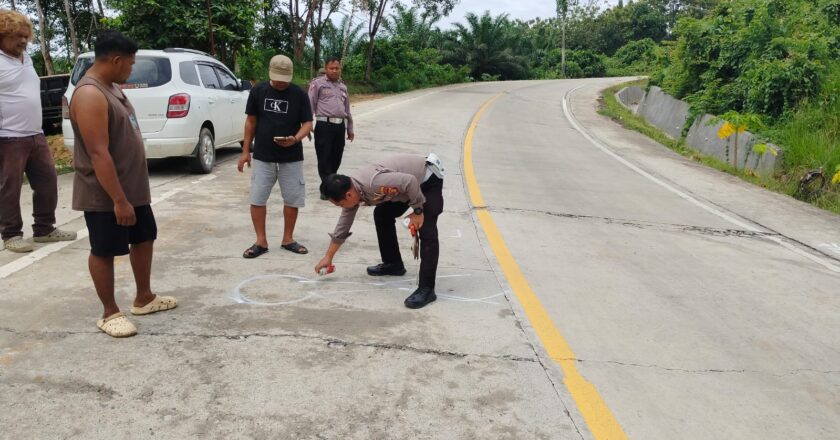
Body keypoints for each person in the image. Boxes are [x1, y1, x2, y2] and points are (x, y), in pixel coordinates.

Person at [70, 30, 176, 338]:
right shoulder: (90, 94)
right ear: (115, 60)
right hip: (105, 193)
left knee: (143, 237)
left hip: (132, 188)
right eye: (129, 64)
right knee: (104, 248)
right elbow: (98, 152)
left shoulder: (111, 87)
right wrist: (118, 199)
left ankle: (144, 297)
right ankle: (109, 312)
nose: (131, 69)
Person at [315, 154, 445, 309]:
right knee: (382, 214)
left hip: (426, 178)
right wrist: (328, 257)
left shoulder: (373, 183)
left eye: (340, 204)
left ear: (349, 195)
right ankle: (393, 264)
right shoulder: (351, 189)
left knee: (426, 229)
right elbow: (344, 225)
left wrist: (418, 211)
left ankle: (427, 289)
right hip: (404, 188)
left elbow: (410, 181)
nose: (342, 208)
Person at [0, 9, 76, 253]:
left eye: (25, 36)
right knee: (9, 187)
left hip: (35, 134)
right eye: (16, 36)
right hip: (7, 136)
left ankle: (44, 229)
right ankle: (11, 234)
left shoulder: (27, 58)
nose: (22, 41)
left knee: (47, 181)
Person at [238, 54, 313, 258]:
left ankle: (288, 239)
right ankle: (260, 241)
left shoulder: (299, 94)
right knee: (257, 197)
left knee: (292, 198)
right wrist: (246, 151)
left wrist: (295, 139)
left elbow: (308, 123)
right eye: (277, 78)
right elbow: (250, 122)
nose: (281, 83)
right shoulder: (258, 91)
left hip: (292, 157)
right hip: (263, 156)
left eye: (284, 79)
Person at [308, 57, 354, 198]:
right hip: (324, 126)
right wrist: (308, 122)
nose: (334, 70)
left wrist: (350, 128)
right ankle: (326, 189)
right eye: (331, 68)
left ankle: (330, 186)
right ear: (326, 69)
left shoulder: (343, 87)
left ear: (340, 69)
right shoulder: (317, 84)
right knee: (324, 158)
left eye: (337, 68)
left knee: (336, 158)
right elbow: (310, 103)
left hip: (339, 126)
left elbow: (347, 109)